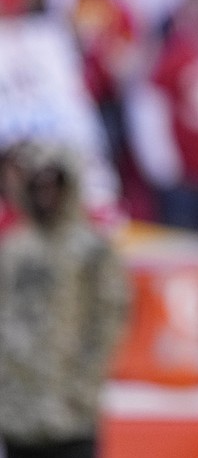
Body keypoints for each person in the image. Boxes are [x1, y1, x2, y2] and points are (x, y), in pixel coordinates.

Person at [0, 141, 132, 458]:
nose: (46, 195)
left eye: (54, 185)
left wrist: (85, 384)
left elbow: (110, 320)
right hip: (19, 408)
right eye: (38, 186)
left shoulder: (91, 250)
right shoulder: (15, 250)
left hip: (70, 407)